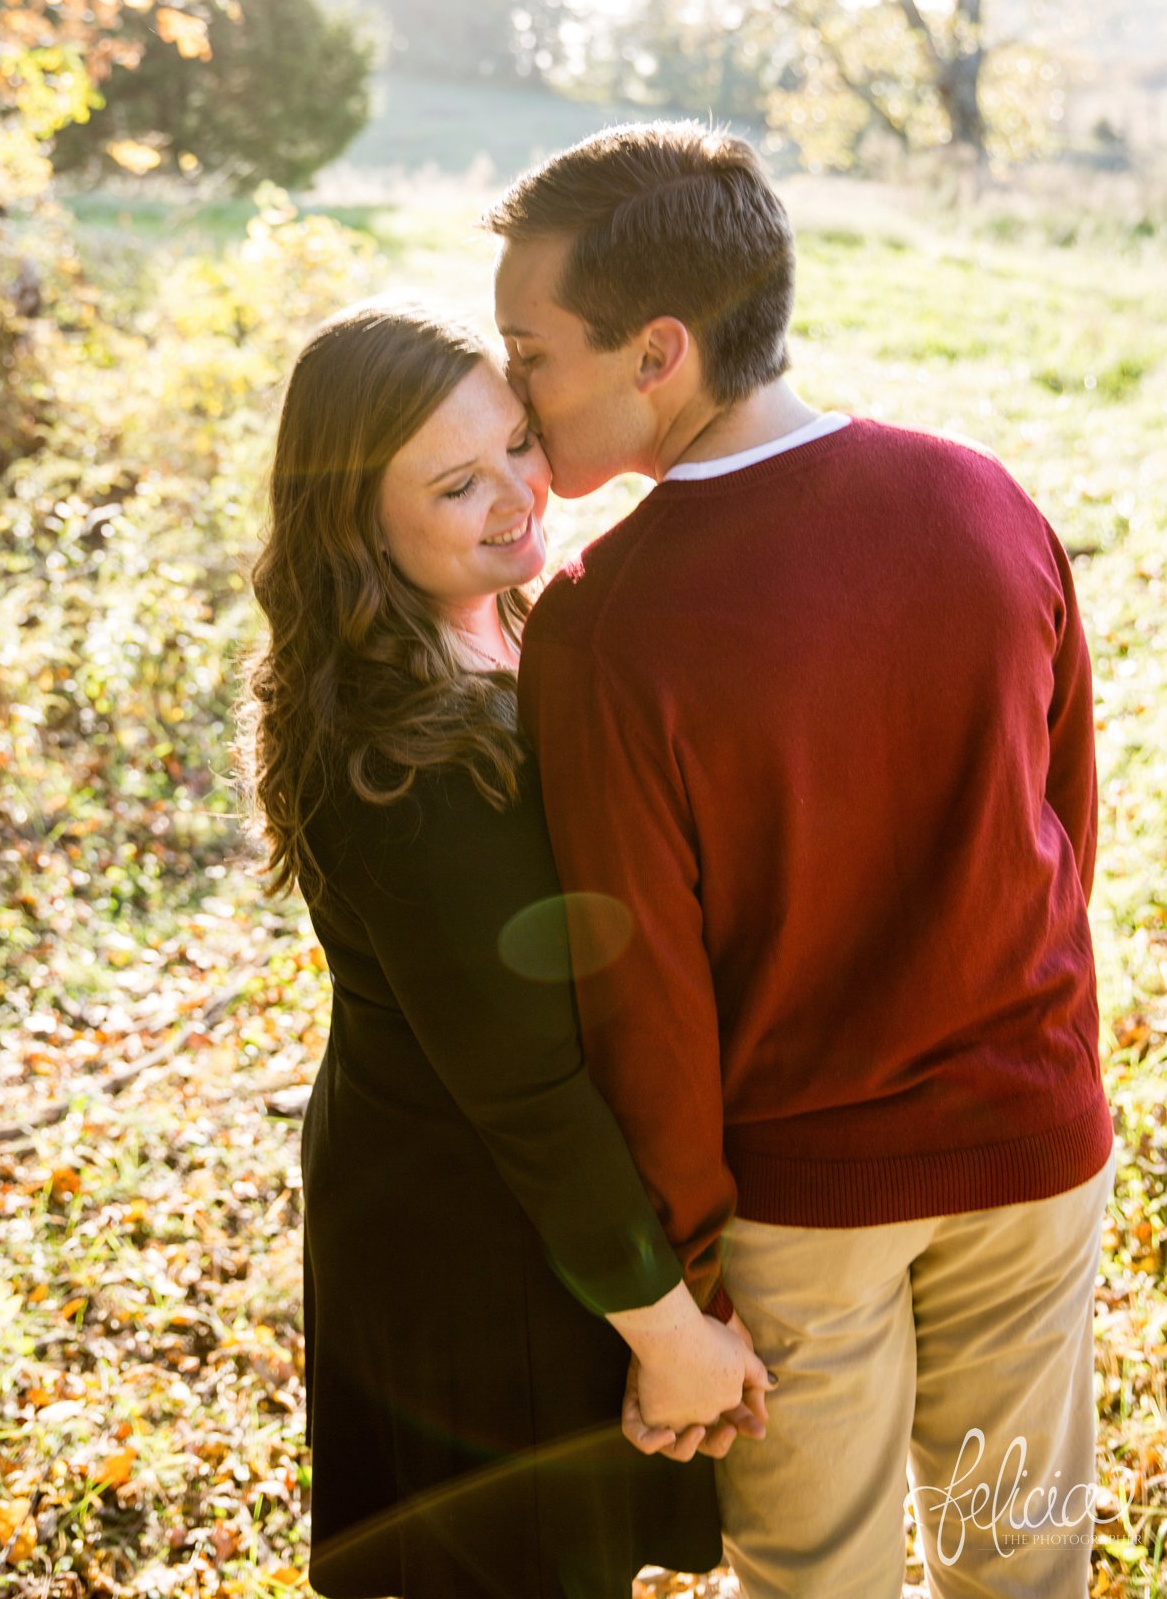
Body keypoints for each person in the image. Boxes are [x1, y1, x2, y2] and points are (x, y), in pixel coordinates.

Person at [488, 122, 1117, 1599]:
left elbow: (638, 992)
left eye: (530, 355)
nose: (512, 398)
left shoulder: (605, 621)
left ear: (657, 353)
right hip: (1031, 1146)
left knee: (813, 1581)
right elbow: (1059, 827)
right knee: (1017, 1566)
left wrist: (684, 1295)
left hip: (800, 1215)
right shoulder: (983, 498)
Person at [236, 304, 770, 1599]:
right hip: (466, 1235)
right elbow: (524, 1088)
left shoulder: (495, 627)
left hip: (499, 1197)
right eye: (456, 482)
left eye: (519, 443)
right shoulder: (397, 764)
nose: (517, 493)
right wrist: (669, 1331)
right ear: (357, 522)